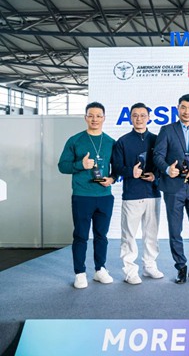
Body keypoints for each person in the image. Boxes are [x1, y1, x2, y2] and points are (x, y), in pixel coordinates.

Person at [153, 94, 189, 284]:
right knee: (175, 229)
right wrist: (167, 169)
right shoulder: (167, 130)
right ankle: (181, 266)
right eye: (183, 107)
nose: (187, 111)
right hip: (173, 187)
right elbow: (157, 156)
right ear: (178, 108)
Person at [58, 102, 116, 289]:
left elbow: (117, 168)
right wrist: (80, 165)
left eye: (98, 116)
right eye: (91, 115)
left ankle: (100, 269)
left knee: (101, 235)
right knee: (81, 235)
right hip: (82, 195)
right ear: (85, 118)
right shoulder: (75, 140)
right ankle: (80, 273)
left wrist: (112, 179)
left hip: (104, 196)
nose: (94, 119)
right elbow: (62, 166)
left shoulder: (111, 142)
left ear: (104, 118)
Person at [112, 102, 162, 284]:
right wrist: (129, 172)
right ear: (130, 118)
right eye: (135, 115)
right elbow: (116, 167)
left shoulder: (157, 140)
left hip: (153, 193)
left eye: (142, 115)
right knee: (129, 235)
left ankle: (150, 266)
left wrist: (155, 176)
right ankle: (130, 271)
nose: (139, 118)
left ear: (149, 118)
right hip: (132, 195)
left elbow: (163, 164)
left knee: (151, 234)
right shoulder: (122, 141)